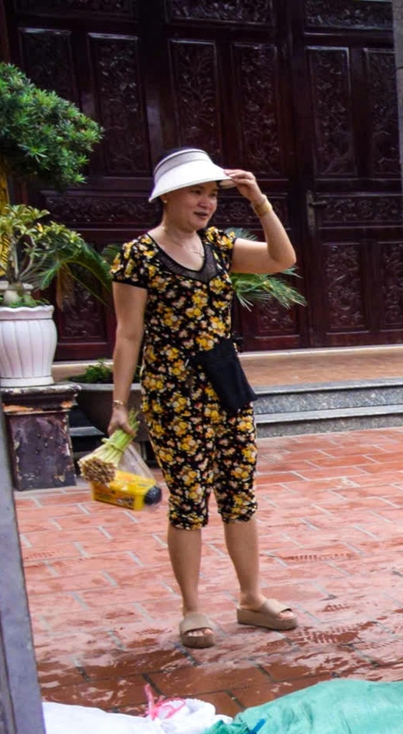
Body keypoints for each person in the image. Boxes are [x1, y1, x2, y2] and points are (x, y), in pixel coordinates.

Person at [108, 148, 300, 650]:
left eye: (213, 194)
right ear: (168, 195)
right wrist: (118, 405)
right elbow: (128, 335)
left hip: (226, 382)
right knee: (189, 501)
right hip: (174, 391)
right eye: (197, 191)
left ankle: (251, 598)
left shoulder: (219, 244)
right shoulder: (138, 256)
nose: (207, 202)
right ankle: (192, 608)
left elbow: (282, 259)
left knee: (241, 492)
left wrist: (258, 201)